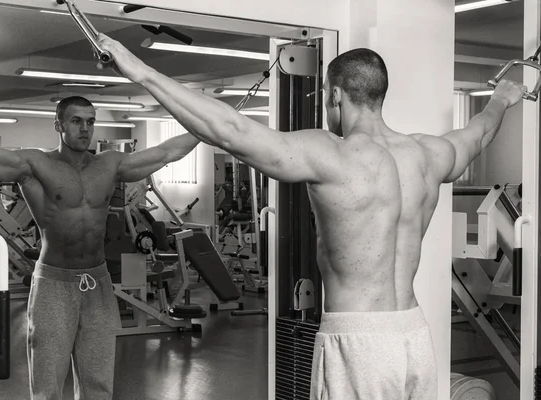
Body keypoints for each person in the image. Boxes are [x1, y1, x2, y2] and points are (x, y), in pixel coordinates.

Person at [95, 34, 526, 399]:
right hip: (414, 336)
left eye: (324, 95)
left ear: (336, 94)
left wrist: (140, 71)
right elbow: (481, 131)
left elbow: (231, 131)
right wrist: (503, 98)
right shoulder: (431, 154)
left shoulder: (331, 153)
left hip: (358, 341)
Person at [0, 95, 200, 400]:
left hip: (97, 283)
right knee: (47, 385)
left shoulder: (110, 164)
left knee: (98, 384)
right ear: (58, 125)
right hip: (54, 283)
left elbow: (166, 152)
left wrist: (209, 129)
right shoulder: (35, 164)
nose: (85, 129)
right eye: (76, 121)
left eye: (90, 121)